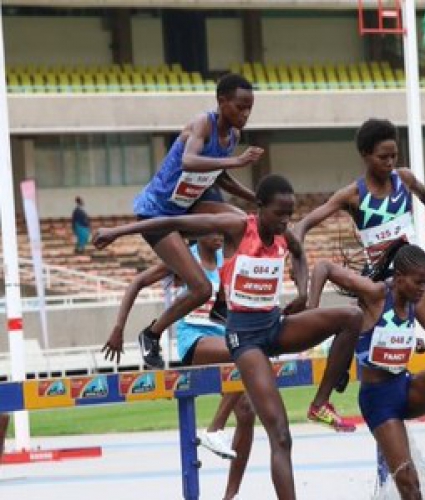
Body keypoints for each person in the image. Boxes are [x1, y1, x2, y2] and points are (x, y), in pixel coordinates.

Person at [94, 174, 364, 499]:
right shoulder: (235, 227)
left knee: (351, 317)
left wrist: (303, 293)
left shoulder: (284, 234)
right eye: (279, 213)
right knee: (281, 435)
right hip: (244, 339)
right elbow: (172, 220)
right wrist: (116, 231)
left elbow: (299, 254)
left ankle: (320, 403)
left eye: (289, 214)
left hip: (275, 327)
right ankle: (217, 429)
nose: (285, 221)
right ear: (260, 207)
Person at [307, 242, 425, 499]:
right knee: (409, 483)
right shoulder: (375, 294)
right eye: (419, 282)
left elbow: (397, 336)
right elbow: (323, 267)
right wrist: (311, 308)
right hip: (379, 402)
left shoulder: (413, 302)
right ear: (398, 278)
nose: (424, 289)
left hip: (405, 388)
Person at [292, 118, 425, 379]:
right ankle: (342, 362)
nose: (390, 163)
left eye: (394, 156)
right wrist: (294, 252)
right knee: (384, 370)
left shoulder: (405, 179)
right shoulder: (353, 194)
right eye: (383, 157)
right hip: (381, 286)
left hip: (412, 281)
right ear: (365, 155)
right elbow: (306, 222)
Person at [101, 233, 252, 498]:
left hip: (225, 338)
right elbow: (137, 282)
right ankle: (215, 428)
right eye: (213, 231)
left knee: (248, 413)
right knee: (242, 351)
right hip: (194, 340)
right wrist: (118, 328)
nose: (220, 237)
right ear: (199, 229)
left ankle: (230, 496)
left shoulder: (225, 257)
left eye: (222, 232)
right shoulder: (184, 259)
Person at [130, 73, 265, 369]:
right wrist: (237, 161)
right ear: (222, 102)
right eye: (240, 107)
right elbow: (189, 161)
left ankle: (223, 302)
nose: (245, 114)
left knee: (245, 223)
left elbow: (221, 177)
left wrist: (256, 197)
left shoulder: (233, 138)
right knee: (200, 288)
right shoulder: (203, 123)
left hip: (186, 207)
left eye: (249, 109)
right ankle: (151, 334)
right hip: (157, 213)